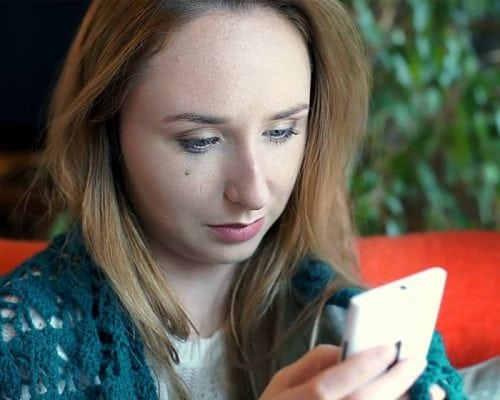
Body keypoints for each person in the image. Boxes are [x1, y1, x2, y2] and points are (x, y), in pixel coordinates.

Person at [0, 1, 464, 399]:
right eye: (200, 140)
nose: (254, 191)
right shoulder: (20, 346)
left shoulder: (344, 324)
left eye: (281, 132)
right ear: (106, 131)